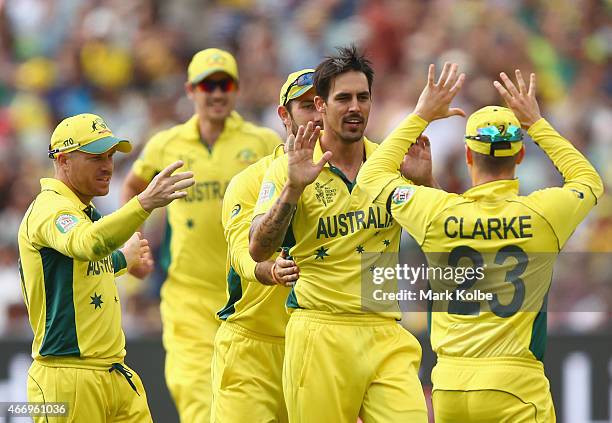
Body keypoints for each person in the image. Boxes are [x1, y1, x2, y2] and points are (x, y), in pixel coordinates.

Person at [357, 63, 603, 422]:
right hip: (516, 386)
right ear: (520, 155)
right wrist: (536, 122)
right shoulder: (544, 214)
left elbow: (372, 176)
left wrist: (421, 115)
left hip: (450, 387)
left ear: (469, 156)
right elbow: (589, 180)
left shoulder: (436, 212)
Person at [249, 46, 428, 422]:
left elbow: (444, 237)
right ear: (321, 105)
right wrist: (293, 189)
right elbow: (257, 247)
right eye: (343, 98)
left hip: (384, 330)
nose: (355, 107)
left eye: (363, 97)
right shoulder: (290, 167)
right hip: (320, 332)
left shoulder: (391, 163)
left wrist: (429, 182)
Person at [120, 48, 281, 422]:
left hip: (248, 300)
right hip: (188, 299)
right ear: (190, 90)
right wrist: (133, 241)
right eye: (207, 85)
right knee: (199, 402)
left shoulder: (260, 142)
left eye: (225, 83)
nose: (217, 93)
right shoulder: (167, 144)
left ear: (237, 89)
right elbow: (133, 186)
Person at [17, 113, 194, 422]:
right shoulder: (50, 209)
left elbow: (88, 263)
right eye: (96, 156)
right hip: (67, 378)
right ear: (63, 160)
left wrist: (125, 260)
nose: (108, 166)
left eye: (111, 155)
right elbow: (89, 244)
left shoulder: (84, 210)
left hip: (115, 372)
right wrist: (144, 203)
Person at [211, 68, 320, 423]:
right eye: (305, 106)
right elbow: (242, 253)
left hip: (315, 350)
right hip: (251, 348)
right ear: (284, 115)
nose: (317, 115)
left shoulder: (357, 176)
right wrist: (267, 269)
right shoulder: (251, 181)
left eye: (321, 103)